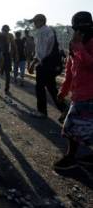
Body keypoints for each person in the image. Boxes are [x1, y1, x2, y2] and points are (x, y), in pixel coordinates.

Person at [53, 11, 93, 170]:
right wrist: (63, 90)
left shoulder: (83, 43)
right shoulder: (74, 44)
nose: (77, 32)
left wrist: (78, 46)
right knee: (83, 127)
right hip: (79, 95)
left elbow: (90, 64)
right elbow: (70, 70)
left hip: (89, 95)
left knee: (70, 127)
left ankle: (71, 158)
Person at [28, 14, 67, 118]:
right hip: (52, 65)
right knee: (52, 88)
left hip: (45, 65)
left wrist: (33, 63)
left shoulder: (42, 32)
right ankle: (64, 109)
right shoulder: (50, 30)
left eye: (35, 22)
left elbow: (42, 52)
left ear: (41, 21)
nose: (34, 24)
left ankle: (42, 112)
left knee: (40, 88)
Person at [0, 25, 17, 95]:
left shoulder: (9, 36)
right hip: (0, 55)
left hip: (5, 56)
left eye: (7, 31)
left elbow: (13, 45)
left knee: (6, 73)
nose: (6, 32)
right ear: (2, 30)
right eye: (5, 30)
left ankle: (5, 89)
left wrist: (15, 54)